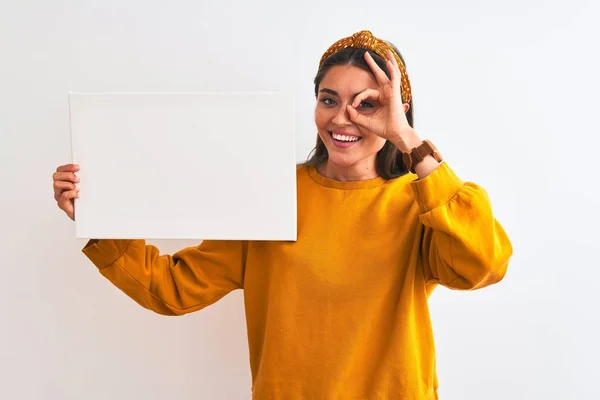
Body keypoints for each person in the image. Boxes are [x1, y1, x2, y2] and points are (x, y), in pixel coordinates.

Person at [52, 30, 513, 399]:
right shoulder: (272, 191)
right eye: (329, 99)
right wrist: (95, 215)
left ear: (397, 112)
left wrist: (410, 142)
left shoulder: (423, 202)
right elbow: (172, 289)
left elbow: (484, 265)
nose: (343, 118)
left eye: (367, 104)